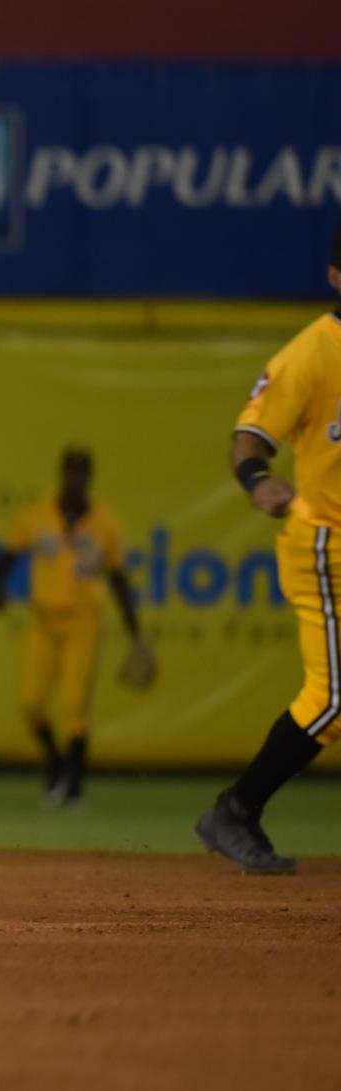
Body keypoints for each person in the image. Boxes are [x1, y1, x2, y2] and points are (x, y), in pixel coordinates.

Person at [196, 226, 341, 875]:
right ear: (336, 276)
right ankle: (237, 809)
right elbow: (249, 436)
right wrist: (258, 481)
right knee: (335, 698)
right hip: (324, 542)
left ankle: (239, 809)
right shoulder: (311, 352)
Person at [0, 448, 151, 806]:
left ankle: (74, 785)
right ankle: (56, 764)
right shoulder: (37, 514)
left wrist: (135, 633)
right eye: (70, 473)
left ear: (89, 479)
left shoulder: (105, 523)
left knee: (75, 706)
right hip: (44, 619)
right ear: (61, 474)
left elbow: (119, 579)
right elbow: (6, 555)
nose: (74, 479)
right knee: (31, 703)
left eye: (81, 474)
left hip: (84, 620)